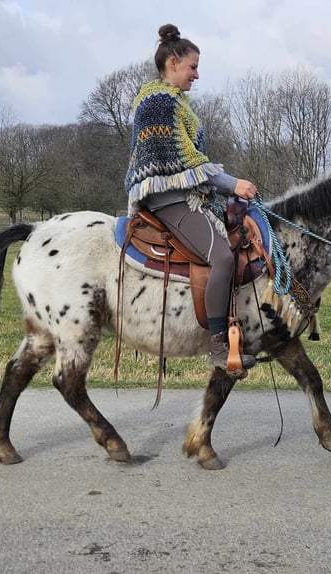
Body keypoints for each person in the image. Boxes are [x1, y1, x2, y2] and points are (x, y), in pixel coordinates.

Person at [124, 23, 257, 372]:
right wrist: (233, 184)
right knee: (223, 259)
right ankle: (217, 343)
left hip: (188, 197)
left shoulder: (176, 104)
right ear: (172, 63)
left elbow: (191, 162)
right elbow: (187, 161)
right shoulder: (158, 104)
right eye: (192, 67)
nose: (197, 75)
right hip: (169, 202)